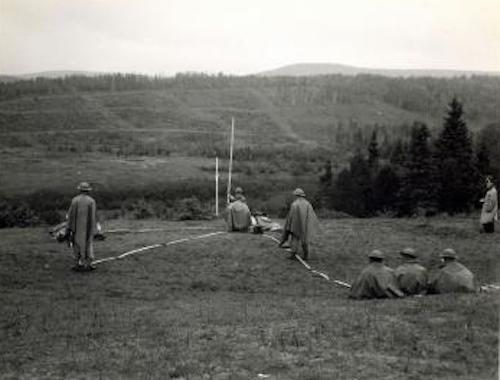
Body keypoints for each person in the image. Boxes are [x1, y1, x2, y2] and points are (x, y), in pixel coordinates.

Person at [279, 188, 319, 261]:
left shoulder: (294, 204)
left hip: (295, 225)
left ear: (296, 195)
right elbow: (311, 216)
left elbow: (291, 216)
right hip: (305, 226)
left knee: (295, 239)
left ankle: (293, 255)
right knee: (305, 240)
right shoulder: (308, 204)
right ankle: (306, 255)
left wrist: (289, 226)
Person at [67, 182, 97, 271]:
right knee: (88, 243)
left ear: (80, 190)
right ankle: (88, 264)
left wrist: (70, 227)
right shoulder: (91, 201)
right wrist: (93, 228)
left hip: (76, 227)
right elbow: (93, 216)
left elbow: (71, 214)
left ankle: (77, 263)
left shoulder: (75, 200)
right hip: (88, 227)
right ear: (88, 191)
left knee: (77, 244)